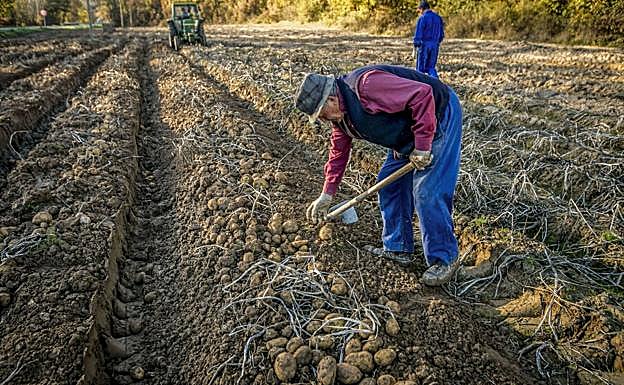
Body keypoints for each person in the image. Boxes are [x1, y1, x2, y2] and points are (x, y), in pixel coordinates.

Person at [295, 65, 462, 286]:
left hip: (438, 115)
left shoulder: (366, 86)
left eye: (321, 113)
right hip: (407, 129)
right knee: (388, 185)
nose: (324, 120)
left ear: (330, 100)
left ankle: (444, 258)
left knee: (426, 192)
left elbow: (422, 95)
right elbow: (338, 153)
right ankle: (398, 247)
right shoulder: (340, 119)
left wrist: (422, 145)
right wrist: (327, 194)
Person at [413, 1, 444, 78]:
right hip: (435, 45)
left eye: (419, 10)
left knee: (420, 69)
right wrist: (437, 42)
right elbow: (441, 35)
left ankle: (420, 86)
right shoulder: (438, 18)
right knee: (431, 68)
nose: (419, 12)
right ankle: (436, 85)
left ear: (422, 9)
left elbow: (418, 34)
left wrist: (416, 45)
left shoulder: (422, 18)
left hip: (424, 45)